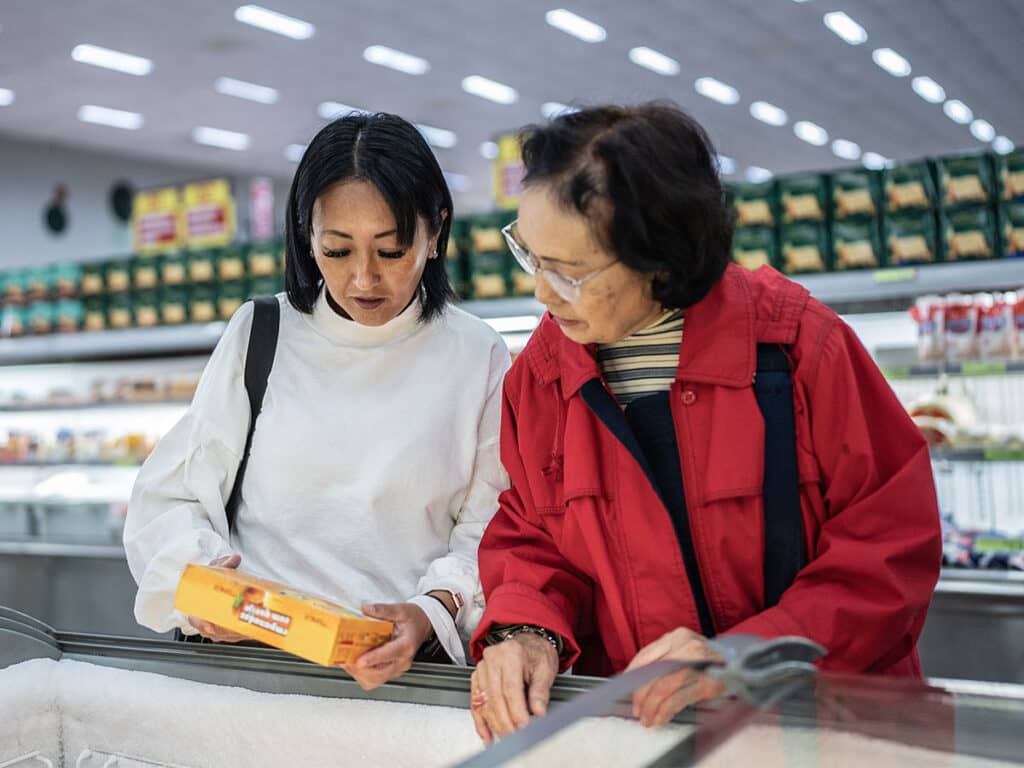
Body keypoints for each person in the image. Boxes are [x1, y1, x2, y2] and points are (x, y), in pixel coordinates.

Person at [467, 103, 941, 742]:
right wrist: (525, 626)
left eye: (569, 273)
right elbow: (532, 534)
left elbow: (889, 546)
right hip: (647, 735)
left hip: (821, 732)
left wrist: (752, 652)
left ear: (660, 259)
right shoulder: (541, 378)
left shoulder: (801, 351)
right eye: (531, 256)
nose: (542, 295)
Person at [124, 112, 510, 689]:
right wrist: (200, 581)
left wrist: (431, 609)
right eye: (336, 251)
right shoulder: (262, 332)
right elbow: (172, 495)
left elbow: (488, 530)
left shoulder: (478, 355)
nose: (363, 280)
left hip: (398, 682)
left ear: (436, 234)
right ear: (307, 237)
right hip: (253, 672)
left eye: (392, 249)